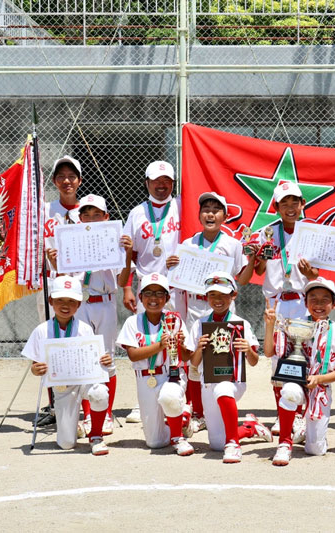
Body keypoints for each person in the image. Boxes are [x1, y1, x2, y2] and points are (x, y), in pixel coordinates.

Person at [45, 194, 133, 437]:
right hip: (80, 304)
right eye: (86, 215)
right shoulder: (70, 241)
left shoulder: (114, 241)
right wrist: (55, 264)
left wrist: (126, 254)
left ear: (106, 217)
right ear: (79, 218)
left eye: (97, 215)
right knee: (84, 358)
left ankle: (105, 414)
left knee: (107, 359)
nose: (91, 219)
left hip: (104, 302)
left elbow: (123, 280)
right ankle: (87, 415)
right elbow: (65, 281)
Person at [169, 192, 256, 434]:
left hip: (223, 308)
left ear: (225, 216)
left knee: (222, 360)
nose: (210, 214)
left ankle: (222, 408)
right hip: (196, 306)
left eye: (216, 210)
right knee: (195, 362)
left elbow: (242, 279)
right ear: (198, 215)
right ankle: (198, 412)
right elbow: (177, 281)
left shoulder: (233, 244)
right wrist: (172, 267)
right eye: (205, 209)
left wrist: (253, 261)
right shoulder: (188, 245)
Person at [263, 277, 335, 466]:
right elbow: (270, 352)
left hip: (320, 389)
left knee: (315, 450)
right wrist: (270, 325)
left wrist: (319, 378)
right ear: (305, 302)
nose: (318, 304)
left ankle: (305, 431)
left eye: (324, 299)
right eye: (313, 298)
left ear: (334, 304)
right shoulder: (294, 325)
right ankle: (285, 443)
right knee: (289, 391)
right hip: (297, 383)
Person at [254, 181, 319, 437]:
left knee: (303, 358)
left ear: (303, 205)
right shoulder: (266, 233)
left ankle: (301, 417)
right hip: (277, 301)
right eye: (284, 203)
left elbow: (317, 273)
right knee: (276, 360)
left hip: (302, 302)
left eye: (295, 202)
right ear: (277, 207)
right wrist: (261, 257)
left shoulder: (310, 233)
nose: (290, 207)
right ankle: (283, 414)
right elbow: (259, 271)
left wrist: (309, 272)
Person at [186, 271, 272, 463]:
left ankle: (233, 444)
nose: (218, 300)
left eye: (224, 295)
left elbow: (254, 361)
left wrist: (248, 349)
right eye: (213, 295)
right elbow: (193, 363)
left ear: (233, 295)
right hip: (207, 382)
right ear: (206, 297)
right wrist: (199, 348)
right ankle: (250, 428)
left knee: (224, 387)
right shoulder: (199, 324)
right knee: (216, 444)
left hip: (233, 381)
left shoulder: (241, 323)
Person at [24, 276, 112, 456]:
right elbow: (34, 365)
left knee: (100, 393)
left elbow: (95, 359)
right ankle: (74, 427)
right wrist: (36, 369)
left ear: (79, 304)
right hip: (62, 386)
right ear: (51, 301)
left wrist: (104, 360)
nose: (66, 305)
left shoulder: (85, 328)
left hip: (84, 381)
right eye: (60, 300)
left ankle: (96, 435)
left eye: (72, 301)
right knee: (66, 444)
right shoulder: (42, 330)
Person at [121, 161, 181, 424]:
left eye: (167, 180)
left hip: (177, 285)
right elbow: (129, 252)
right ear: (146, 182)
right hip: (148, 287)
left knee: (178, 341)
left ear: (173, 183)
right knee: (148, 340)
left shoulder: (182, 207)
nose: (161, 185)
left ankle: (179, 395)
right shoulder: (136, 213)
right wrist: (126, 287)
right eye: (156, 180)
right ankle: (145, 395)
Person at [116, 273, 194, 456]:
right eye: (148, 293)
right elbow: (133, 355)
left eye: (160, 294)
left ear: (167, 298)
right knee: (155, 442)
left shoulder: (174, 319)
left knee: (170, 396)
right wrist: (160, 345)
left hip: (171, 374)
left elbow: (187, 357)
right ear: (141, 297)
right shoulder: (132, 321)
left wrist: (181, 344)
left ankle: (177, 437)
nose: (154, 298)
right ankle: (181, 421)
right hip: (146, 377)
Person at [37, 156, 83, 427]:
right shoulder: (44, 210)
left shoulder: (87, 211)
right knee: (50, 344)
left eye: (72, 176)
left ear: (79, 180)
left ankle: (79, 404)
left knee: (76, 342)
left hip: (77, 289)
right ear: (54, 181)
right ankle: (55, 404)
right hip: (50, 286)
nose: (66, 181)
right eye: (61, 176)